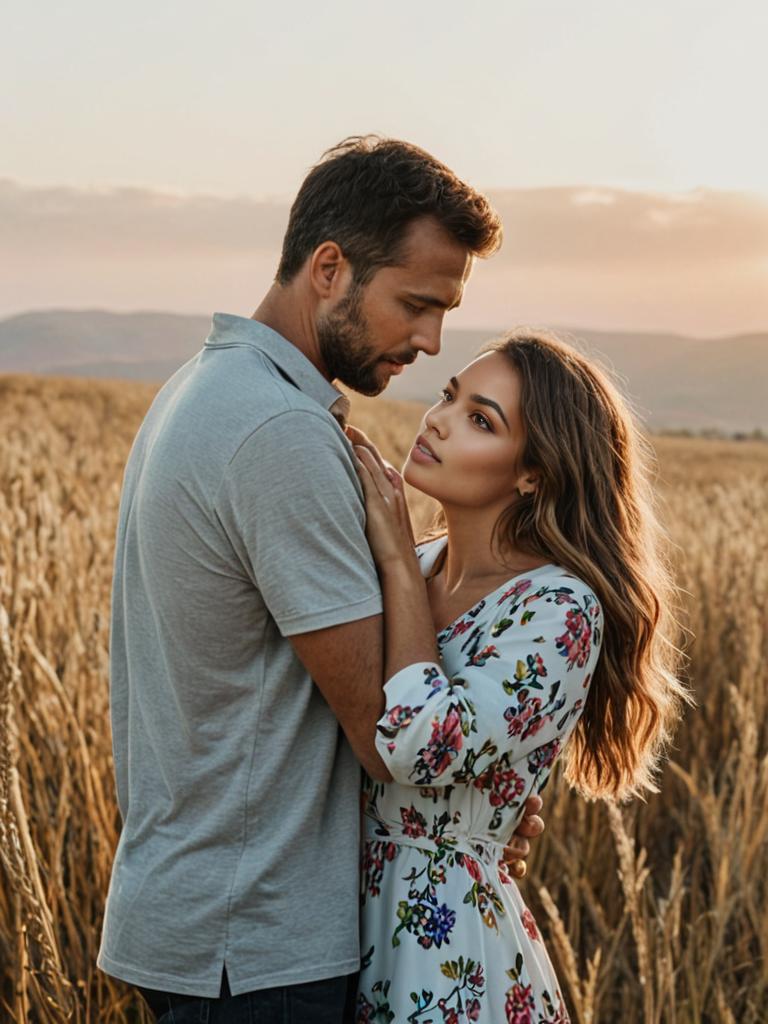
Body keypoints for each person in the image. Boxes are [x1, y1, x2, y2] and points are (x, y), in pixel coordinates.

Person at [97, 136, 545, 1023]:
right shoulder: (280, 434)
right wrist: (477, 824)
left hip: (204, 916)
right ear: (330, 268)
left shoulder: (205, 383)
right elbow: (390, 737)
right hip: (255, 942)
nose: (430, 340)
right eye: (416, 304)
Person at [351, 330, 688, 1022]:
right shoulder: (417, 566)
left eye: (482, 419)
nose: (438, 421)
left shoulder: (560, 610)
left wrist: (390, 562)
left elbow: (422, 745)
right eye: (449, 397)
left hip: (445, 962)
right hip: (336, 932)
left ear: (533, 472)